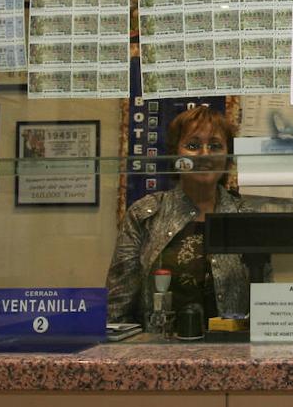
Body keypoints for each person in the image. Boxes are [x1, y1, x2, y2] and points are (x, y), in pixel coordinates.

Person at [106, 106, 250, 327]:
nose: (204, 154)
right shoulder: (145, 214)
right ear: (175, 155)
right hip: (157, 353)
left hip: (232, 353)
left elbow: (265, 303)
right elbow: (117, 307)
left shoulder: (246, 218)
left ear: (228, 157)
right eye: (193, 145)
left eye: (215, 146)